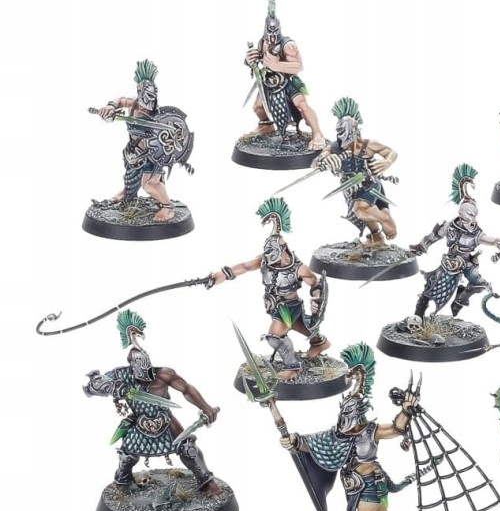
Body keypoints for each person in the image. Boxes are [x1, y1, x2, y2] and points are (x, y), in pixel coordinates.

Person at [280, 344, 415, 511]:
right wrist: (294, 440)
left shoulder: (372, 431)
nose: (345, 419)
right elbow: (315, 442)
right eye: (343, 413)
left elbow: (396, 429)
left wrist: (406, 410)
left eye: (349, 413)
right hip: (352, 485)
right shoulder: (339, 433)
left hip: (370, 482)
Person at [83, 309, 221, 493]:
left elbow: (186, 389)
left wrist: (205, 407)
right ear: (131, 365)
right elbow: (94, 384)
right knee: (127, 455)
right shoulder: (121, 375)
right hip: (138, 421)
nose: (143, 372)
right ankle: (121, 484)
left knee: (188, 448)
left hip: (165, 419)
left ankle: (207, 482)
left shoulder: (163, 374)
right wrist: (113, 387)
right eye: (138, 367)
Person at [209, 197, 329, 380]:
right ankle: (320, 343)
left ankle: (292, 367)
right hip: (275, 306)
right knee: (303, 327)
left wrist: (316, 299)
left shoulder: (299, 269)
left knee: (275, 336)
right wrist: (222, 275)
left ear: (284, 250)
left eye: (276, 258)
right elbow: (245, 266)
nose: (272, 262)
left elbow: (315, 283)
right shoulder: (265, 259)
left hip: (289, 307)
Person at [410, 164, 500, 318]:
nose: (472, 221)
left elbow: (493, 240)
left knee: (479, 283)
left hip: (467, 263)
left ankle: (460, 299)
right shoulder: (449, 226)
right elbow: (433, 237)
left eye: (474, 217)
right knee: (431, 288)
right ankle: (418, 316)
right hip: (449, 262)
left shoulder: (476, 233)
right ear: (461, 215)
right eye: (469, 217)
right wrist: (420, 248)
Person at [96, 60, 177, 222]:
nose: (148, 102)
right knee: (130, 178)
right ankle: (128, 194)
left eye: (151, 97)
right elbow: (120, 99)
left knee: (150, 185)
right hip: (133, 152)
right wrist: (111, 107)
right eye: (145, 96)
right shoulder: (134, 104)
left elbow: (169, 136)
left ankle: (167, 207)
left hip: (152, 156)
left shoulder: (158, 115)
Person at [314, 97, 398, 249]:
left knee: (360, 210)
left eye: (344, 131)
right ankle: (376, 237)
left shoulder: (368, 145)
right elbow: (316, 161)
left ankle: (385, 219)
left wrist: (387, 162)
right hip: (349, 188)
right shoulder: (334, 147)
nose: (341, 136)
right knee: (361, 214)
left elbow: (390, 152)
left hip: (368, 183)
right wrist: (325, 159)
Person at [244, 0, 324, 150]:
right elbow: (259, 58)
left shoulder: (288, 45)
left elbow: (299, 66)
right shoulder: (262, 42)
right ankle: (266, 125)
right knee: (258, 107)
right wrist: (249, 59)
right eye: (269, 31)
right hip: (269, 80)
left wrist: (277, 65)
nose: (272, 35)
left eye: (274, 31)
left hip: (287, 80)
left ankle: (317, 133)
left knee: (301, 105)